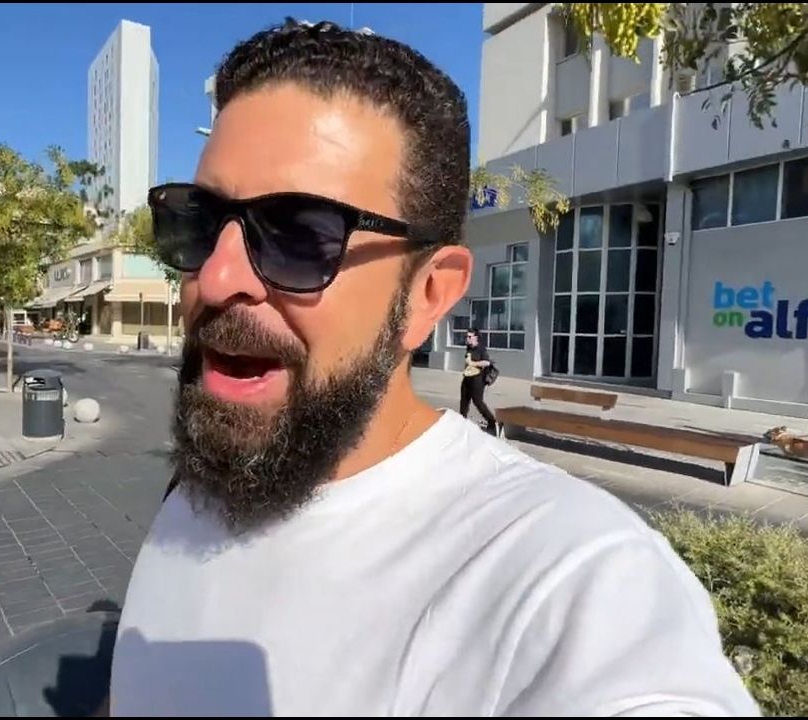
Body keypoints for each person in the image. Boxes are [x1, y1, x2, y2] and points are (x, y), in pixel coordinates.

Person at [110, 19, 758, 717]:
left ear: (428, 294)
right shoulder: (206, 480)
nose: (215, 278)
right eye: (201, 222)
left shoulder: (571, 577)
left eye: (300, 235)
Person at [460, 328, 499, 435]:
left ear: (476, 338)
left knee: (478, 401)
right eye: (466, 336)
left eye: (469, 337)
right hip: (467, 377)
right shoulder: (469, 348)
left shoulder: (481, 349)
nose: (467, 339)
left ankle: (492, 422)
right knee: (464, 401)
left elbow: (486, 362)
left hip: (477, 379)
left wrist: (473, 364)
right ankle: (462, 422)